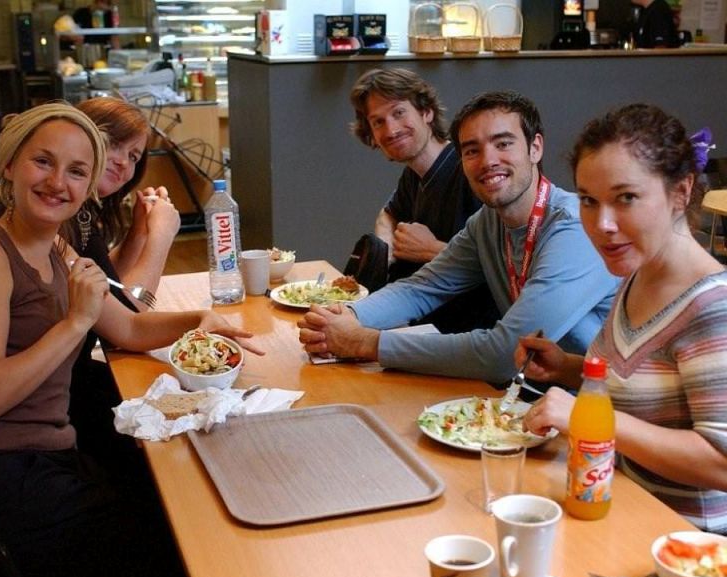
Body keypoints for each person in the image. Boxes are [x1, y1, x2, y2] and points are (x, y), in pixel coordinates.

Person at [0, 103, 258, 577]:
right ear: (8, 166)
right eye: (42, 162)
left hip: (52, 460)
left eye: (76, 171)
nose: (57, 182)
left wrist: (197, 320)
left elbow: (127, 327)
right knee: (192, 557)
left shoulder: (57, 249)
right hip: (0, 477)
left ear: (88, 189)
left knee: (183, 508)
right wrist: (75, 322)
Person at [298, 91, 619, 384]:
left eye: (503, 143)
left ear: (535, 147)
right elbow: (420, 288)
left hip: (594, 414)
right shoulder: (487, 222)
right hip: (528, 398)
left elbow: (505, 354)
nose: (488, 160)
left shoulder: (576, 227)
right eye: (472, 150)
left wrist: (364, 342)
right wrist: (346, 317)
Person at [518, 104, 727, 533]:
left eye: (625, 198)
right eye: (589, 202)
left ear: (681, 192)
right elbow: (652, 387)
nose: (602, 224)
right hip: (618, 516)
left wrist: (585, 416)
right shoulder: (635, 275)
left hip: (687, 550)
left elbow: (721, 461)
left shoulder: (713, 308)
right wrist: (572, 369)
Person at [0, 96, 179, 468]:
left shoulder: (78, 216)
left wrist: (140, 229)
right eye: (114, 144)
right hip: (45, 401)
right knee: (162, 447)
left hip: (56, 382)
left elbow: (106, 287)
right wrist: (162, 236)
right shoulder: (47, 221)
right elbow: (125, 313)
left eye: (135, 156)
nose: (124, 162)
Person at [349, 67, 497, 333]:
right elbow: (388, 213)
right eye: (378, 122)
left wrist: (430, 249)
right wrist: (385, 251)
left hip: (467, 334)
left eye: (398, 112)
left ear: (426, 112)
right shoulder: (413, 176)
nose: (391, 130)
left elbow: (504, 270)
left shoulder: (470, 171)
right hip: (419, 322)